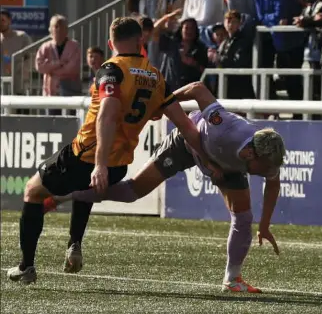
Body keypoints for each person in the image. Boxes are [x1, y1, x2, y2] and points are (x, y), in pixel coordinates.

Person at [7, 17, 210, 284]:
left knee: (33, 191)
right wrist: (209, 160)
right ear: (141, 42)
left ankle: (26, 267)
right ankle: (74, 243)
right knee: (84, 189)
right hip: (120, 164)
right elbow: (183, 123)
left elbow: (107, 115)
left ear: (110, 43)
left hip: (88, 154)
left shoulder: (111, 70)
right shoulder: (155, 76)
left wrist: (99, 164)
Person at [45, 81, 286, 293]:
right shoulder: (223, 128)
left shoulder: (266, 157)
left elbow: (273, 184)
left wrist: (264, 226)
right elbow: (199, 89)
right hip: (189, 142)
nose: (265, 174)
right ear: (250, 153)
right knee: (132, 191)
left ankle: (232, 280)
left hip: (223, 165)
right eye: (262, 169)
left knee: (244, 217)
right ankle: (65, 195)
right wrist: (165, 102)